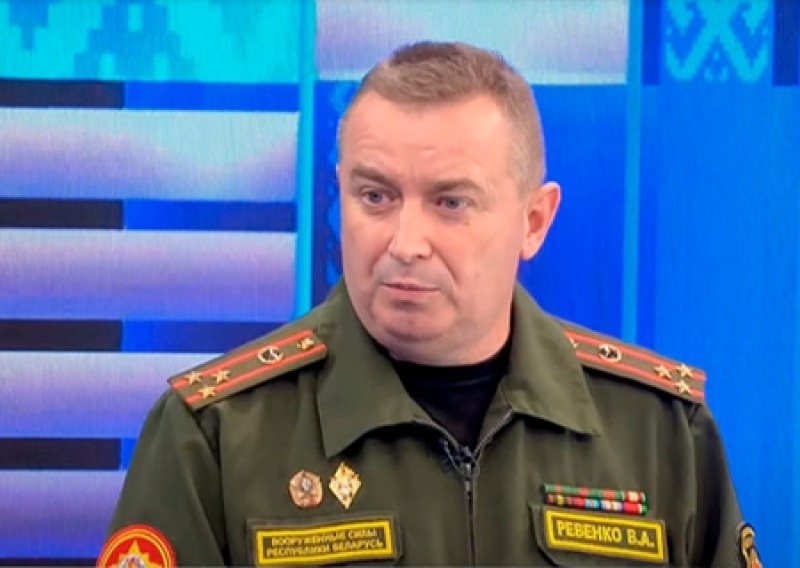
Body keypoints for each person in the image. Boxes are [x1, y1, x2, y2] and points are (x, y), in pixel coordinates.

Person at [97, 41, 759, 567]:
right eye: (375, 197)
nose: (405, 243)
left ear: (534, 221)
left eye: (450, 202)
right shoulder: (215, 435)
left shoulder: (661, 433)